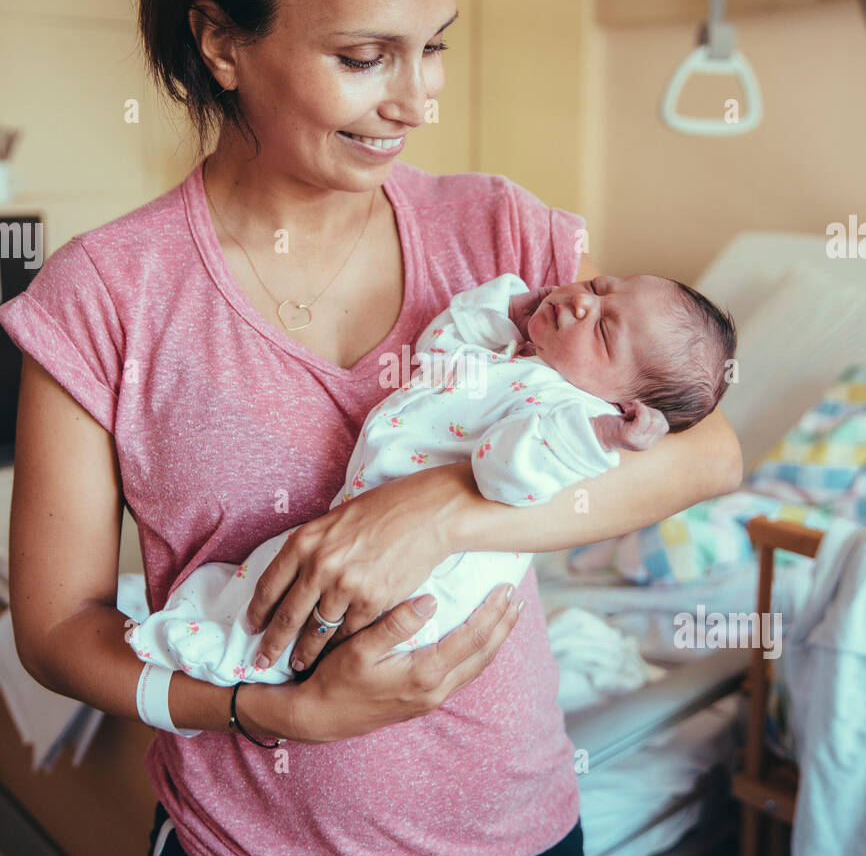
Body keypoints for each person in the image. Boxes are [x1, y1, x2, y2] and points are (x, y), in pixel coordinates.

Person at [0, 0, 742, 856]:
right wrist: (269, 708)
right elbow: (56, 631)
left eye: (435, 45)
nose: (416, 102)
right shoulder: (105, 298)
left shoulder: (502, 234)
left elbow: (707, 449)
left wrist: (440, 508)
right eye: (364, 56)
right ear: (219, 39)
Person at [122, 268, 736, 686]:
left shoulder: (570, 417)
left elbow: (508, 475)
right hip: (360, 511)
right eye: (602, 287)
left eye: (603, 330)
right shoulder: (513, 358)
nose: (583, 300)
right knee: (279, 573)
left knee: (312, 607)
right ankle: (203, 622)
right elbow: (443, 346)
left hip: (434, 584)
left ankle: (237, 664)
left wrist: (600, 440)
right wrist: (506, 310)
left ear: (625, 405)